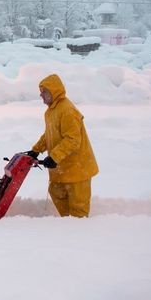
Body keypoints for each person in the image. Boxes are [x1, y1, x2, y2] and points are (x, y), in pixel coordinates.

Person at [26, 74, 98, 217]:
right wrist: (36, 150)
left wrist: (54, 157)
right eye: (41, 92)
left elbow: (72, 140)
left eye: (44, 92)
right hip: (61, 168)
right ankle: (66, 228)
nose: (41, 95)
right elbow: (49, 135)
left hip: (78, 168)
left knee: (78, 208)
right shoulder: (51, 112)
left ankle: (79, 231)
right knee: (56, 192)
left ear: (54, 91)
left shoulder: (67, 111)